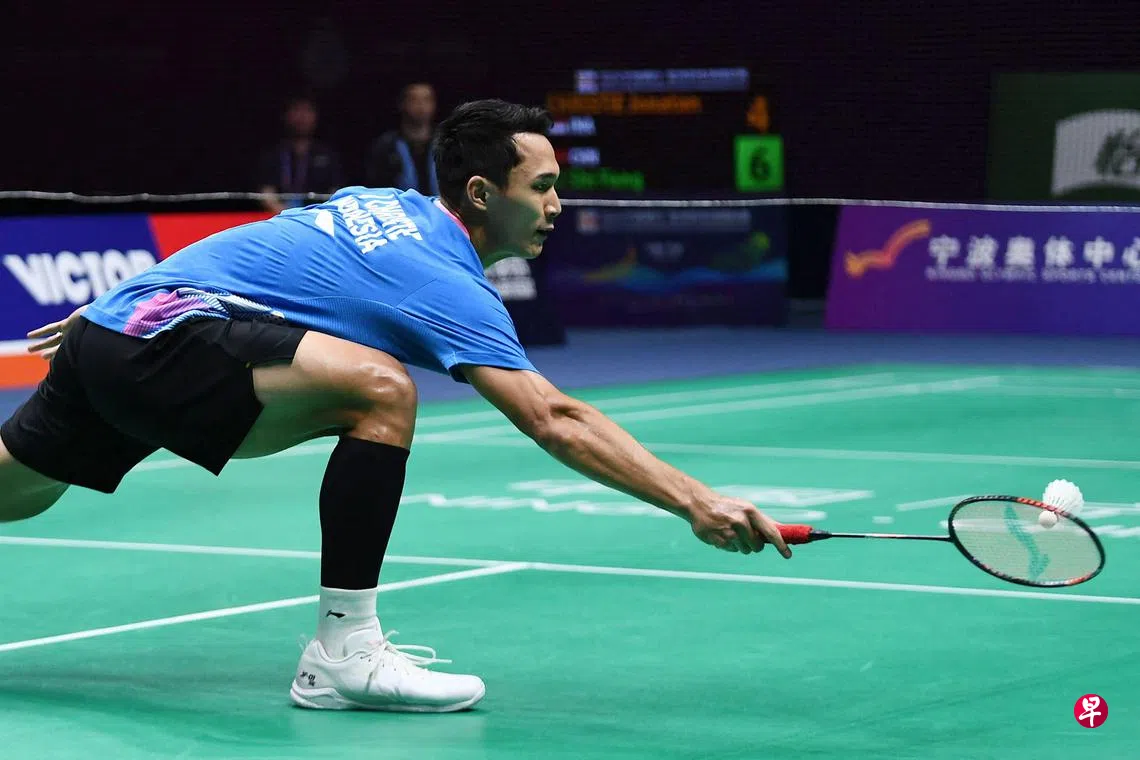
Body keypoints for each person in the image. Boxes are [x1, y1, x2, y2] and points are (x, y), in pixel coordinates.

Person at [0, 99, 792, 714]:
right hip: (160, 340)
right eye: (543, 187)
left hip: (116, 330)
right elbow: (552, 418)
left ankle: (343, 650)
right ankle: (343, 651)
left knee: (19, 490)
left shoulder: (381, 202)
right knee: (381, 390)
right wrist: (696, 501)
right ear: (481, 193)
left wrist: (126, 301)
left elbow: (265, 244)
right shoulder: (443, 281)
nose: (558, 204)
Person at [256, 95, 345, 214]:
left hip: (317, 216)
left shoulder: (328, 155)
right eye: (296, 110)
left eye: (307, 110)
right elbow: (266, 192)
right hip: (279, 217)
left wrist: (314, 215)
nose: (302, 116)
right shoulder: (273, 154)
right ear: (286, 115)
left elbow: (335, 192)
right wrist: (286, 214)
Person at [364, 82, 439, 195]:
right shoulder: (386, 146)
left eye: (426, 99)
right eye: (414, 99)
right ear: (402, 104)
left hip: (438, 204)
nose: (421, 106)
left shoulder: (446, 144)